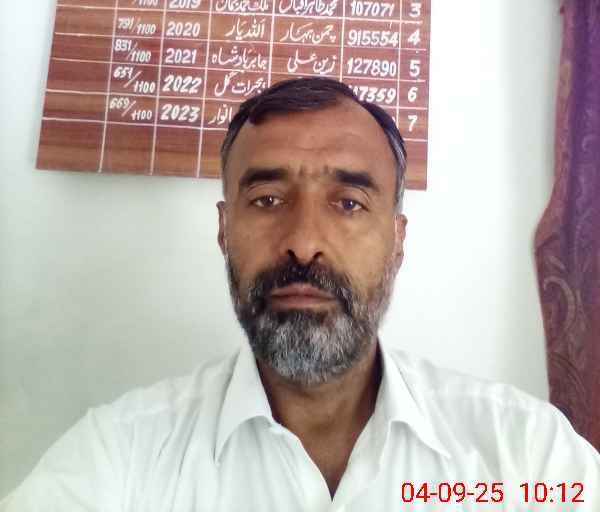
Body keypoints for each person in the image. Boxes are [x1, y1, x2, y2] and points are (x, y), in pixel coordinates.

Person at [2, 77, 599, 511]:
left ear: (397, 240)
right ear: (224, 230)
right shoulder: (120, 457)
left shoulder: (524, 455)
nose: (304, 242)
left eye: (349, 203)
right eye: (267, 200)